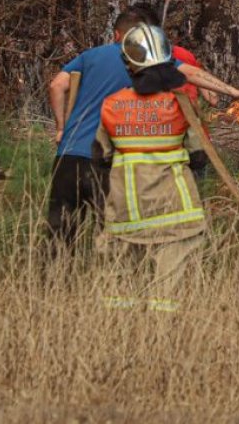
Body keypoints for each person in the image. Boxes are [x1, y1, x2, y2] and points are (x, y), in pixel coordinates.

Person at [46, 11, 239, 249]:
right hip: (106, 162)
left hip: (68, 157)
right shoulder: (142, 59)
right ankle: (114, 282)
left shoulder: (90, 56)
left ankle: (53, 282)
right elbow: (192, 73)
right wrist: (232, 91)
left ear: (117, 34)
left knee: (59, 235)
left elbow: (57, 85)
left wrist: (62, 128)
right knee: (116, 237)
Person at [93, 24, 209, 313]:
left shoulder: (111, 104)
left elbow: (100, 155)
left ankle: (117, 335)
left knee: (117, 287)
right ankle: (163, 339)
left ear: (129, 65)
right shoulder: (180, 103)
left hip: (125, 211)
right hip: (175, 211)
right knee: (169, 291)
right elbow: (198, 155)